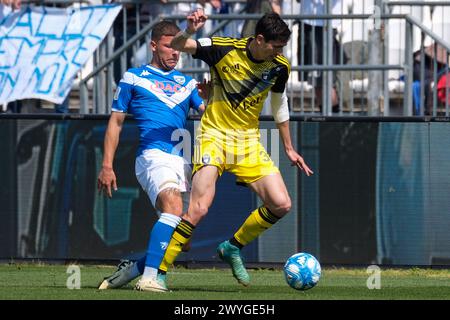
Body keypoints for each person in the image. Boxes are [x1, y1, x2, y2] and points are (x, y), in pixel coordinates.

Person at [158, 10, 313, 290]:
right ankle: (158, 274)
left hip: (248, 143)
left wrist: (288, 148)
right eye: (276, 46)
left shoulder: (279, 67)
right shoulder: (223, 48)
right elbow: (179, 45)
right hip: (213, 136)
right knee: (199, 208)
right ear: (260, 39)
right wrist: (190, 29)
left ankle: (232, 247)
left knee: (281, 204)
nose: (279, 52)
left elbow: (279, 104)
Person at [96, 20, 205, 292]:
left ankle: (133, 269)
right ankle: (149, 279)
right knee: (172, 207)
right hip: (153, 156)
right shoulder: (133, 77)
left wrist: (214, 96)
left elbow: (209, 114)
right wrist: (107, 165)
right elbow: (116, 123)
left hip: (182, 159)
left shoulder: (188, 84)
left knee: (182, 238)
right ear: (154, 46)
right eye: (169, 47)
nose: (175, 53)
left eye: (178, 48)